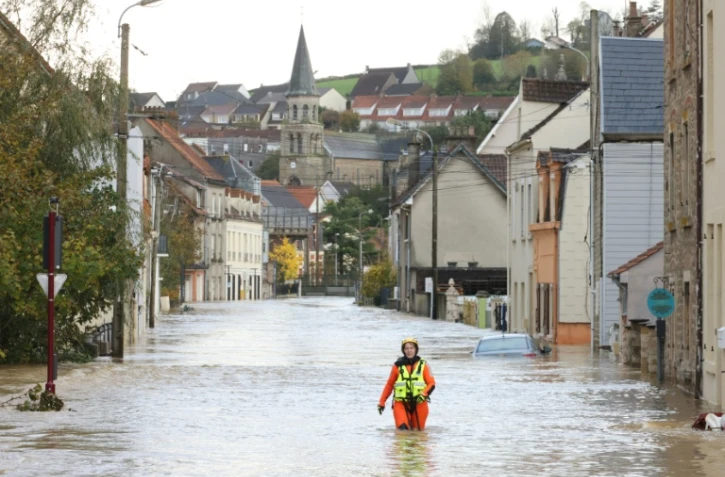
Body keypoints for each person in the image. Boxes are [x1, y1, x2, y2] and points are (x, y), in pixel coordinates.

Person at [378, 337, 436, 430]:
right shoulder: (397, 366)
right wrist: (382, 402)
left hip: (419, 404)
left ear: (416, 349)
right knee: (402, 432)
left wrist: (424, 394)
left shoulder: (424, 365)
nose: (409, 351)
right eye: (406, 348)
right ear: (403, 350)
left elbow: (431, 383)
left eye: (411, 348)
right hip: (401, 404)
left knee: (418, 435)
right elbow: (389, 385)